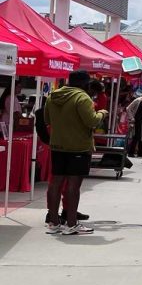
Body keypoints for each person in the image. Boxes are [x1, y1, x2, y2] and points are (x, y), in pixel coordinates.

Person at [43, 70, 107, 235]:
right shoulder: (82, 97)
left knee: (55, 183)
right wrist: (102, 113)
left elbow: (47, 120)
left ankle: (53, 222)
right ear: (84, 83)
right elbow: (92, 121)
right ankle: (71, 224)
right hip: (78, 147)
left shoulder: (52, 96)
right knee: (73, 186)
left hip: (57, 146)